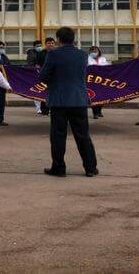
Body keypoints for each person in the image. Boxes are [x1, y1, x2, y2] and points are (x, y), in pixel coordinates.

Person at [39, 27, 98, 177]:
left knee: (58, 135)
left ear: (58, 39)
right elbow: (81, 75)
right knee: (83, 135)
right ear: (73, 39)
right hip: (79, 99)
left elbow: (43, 76)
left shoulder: (53, 54)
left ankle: (59, 168)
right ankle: (90, 168)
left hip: (59, 100)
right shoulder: (82, 54)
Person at [33, 37, 55, 115]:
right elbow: (37, 65)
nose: (51, 45)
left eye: (52, 43)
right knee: (44, 94)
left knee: (54, 94)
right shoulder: (41, 53)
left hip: (55, 77)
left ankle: (54, 110)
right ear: (45, 44)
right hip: (44, 76)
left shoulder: (57, 53)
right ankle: (44, 110)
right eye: (49, 43)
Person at [87, 46, 109, 119]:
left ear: (99, 51)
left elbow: (107, 67)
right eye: (92, 51)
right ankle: (95, 113)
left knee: (101, 96)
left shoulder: (103, 59)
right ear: (89, 52)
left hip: (102, 80)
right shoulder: (87, 59)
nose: (94, 53)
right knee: (94, 96)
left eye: (95, 51)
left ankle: (99, 111)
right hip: (92, 80)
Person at [26, 40, 44, 114]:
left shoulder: (44, 52)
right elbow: (30, 64)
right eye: (37, 46)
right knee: (36, 90)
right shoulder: (31, 54)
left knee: (44, 90)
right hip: (35, 74)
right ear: (34, 47)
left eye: (40, 45)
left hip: (43, 74)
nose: (39, 47)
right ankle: (38, 108)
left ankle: (44, 108)